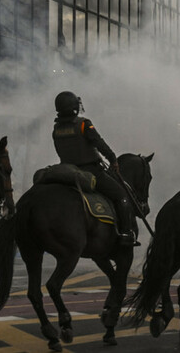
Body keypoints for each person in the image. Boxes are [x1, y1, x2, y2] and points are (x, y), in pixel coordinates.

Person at [52, 91, 136, 246]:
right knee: (121, 195)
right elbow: (99, 143)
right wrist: (112, 158)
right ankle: (126, 232)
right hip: (91, 171)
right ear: (74, 107)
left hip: (68, 172)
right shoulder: (84, 124)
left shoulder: (56, 129)